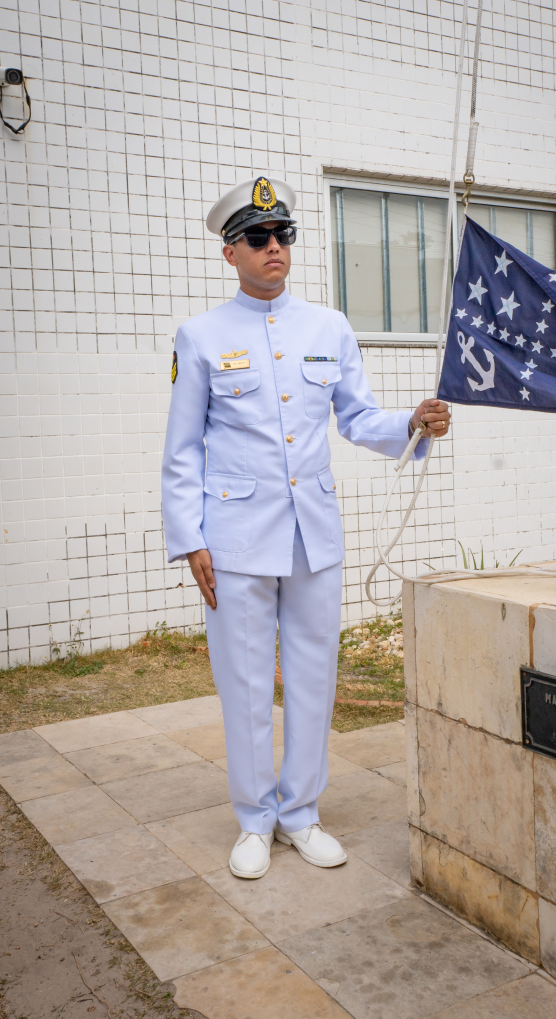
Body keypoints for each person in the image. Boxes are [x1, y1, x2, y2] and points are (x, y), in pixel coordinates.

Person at [161, 175, 451, 879]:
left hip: (312, 534)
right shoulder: (200, 337)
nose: (273, 248)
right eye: (256, 238)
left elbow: (357, 419)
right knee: (245, 681)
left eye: (282, 235)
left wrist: (411, 423)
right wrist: (189, 538)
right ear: (229, 253)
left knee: (315, 678)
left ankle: (301, 814)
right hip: (234, 540)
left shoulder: (329, 328)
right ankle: (255, 820)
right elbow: (182, 449)